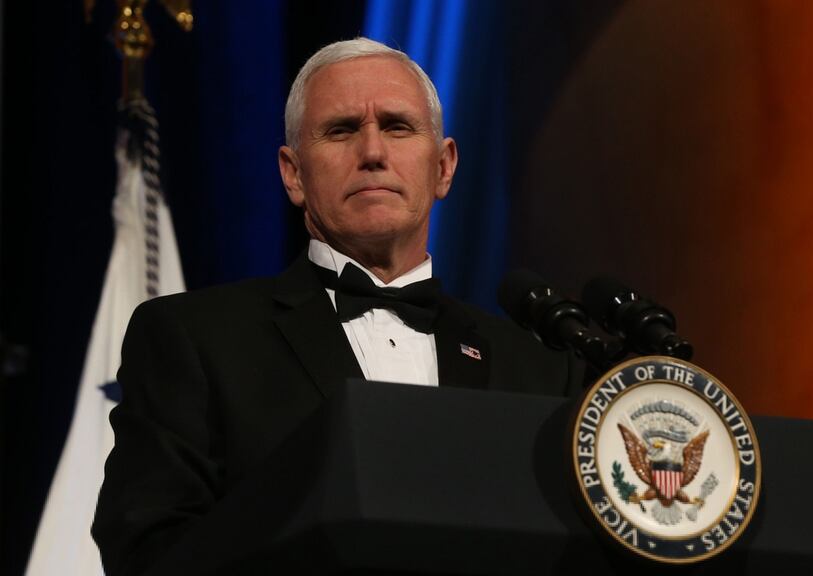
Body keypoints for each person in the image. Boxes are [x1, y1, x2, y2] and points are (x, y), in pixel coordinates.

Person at [92, 38, 581, 575]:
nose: (372, 151)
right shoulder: (194, 339)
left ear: (443, 167)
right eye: (342, 130)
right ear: (293, 174)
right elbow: (146, 550)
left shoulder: (542, 369)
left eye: (397, 126)